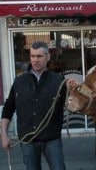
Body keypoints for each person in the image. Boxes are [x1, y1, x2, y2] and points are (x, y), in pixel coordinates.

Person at [1, 41, 67, 170]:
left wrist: (75, 91)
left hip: (52, 139)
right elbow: (8, 108)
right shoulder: (19, 81)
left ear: (47, 57)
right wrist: (4, 134)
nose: (35, 60)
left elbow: (72, 105)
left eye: (39, 56)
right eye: (32, 56)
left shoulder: (59, 81)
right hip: (27, 140)